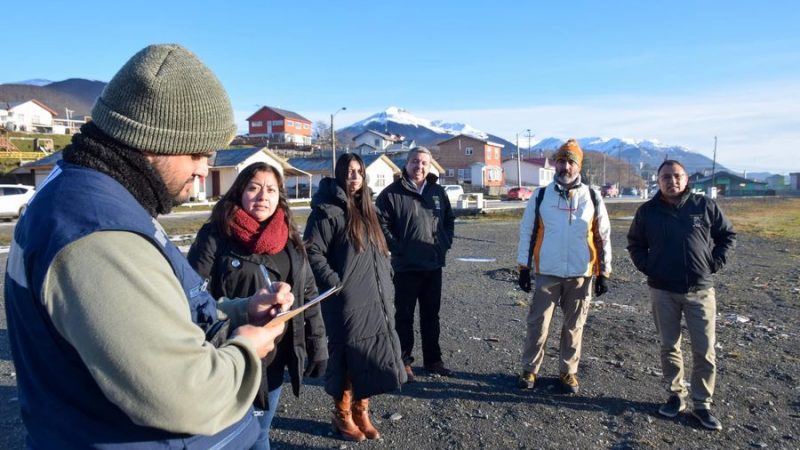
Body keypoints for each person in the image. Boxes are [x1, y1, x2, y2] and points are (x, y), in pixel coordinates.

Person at [4, 44, 292, 449]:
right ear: (149, 141)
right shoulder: (99, 238)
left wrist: (241, 311)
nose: (202, 170)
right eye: (196, 153)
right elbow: (187, 395)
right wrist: (246, 348)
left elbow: (151, 319)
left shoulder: (94, 201)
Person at [188, 162, 328, 450]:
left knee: (261, 431)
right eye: (253, 188)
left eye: (271, 189)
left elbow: (308, 292)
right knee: (228, 436)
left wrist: (317, 345)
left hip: (275, 354)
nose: (263, 196)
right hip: (229, 351)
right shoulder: (216, 235)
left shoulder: (288, 237)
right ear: (239, 192)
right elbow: (190, 295)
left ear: (279, 197)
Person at [627, 159, 735, 431]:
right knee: (669, 346)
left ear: (686, 179)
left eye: (677, 176)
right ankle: (676, 395)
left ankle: (702, 404)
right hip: (662, 290)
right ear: (658, 180)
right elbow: (635, 244)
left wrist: (715, 262)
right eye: (665, 176)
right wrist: (648, 266)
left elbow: (727, 235)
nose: (671, 181)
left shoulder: (704, 206)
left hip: (700, 290)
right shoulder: (648, 211)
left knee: (705, 350)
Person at [304, 153, 406, 441]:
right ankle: (342, 415)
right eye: (349, 171)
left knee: (370, 354)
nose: (354, 177)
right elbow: (312, 251)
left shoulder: (367, 209)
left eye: (359, 171)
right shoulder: (326, 211)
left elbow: (379, 253)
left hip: (375, 298)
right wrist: (336, 284)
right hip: (345, 300)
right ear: (339, 174)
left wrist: (387, 279)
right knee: (346, 358)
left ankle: (362, 410)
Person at [515, 139, 611, 394]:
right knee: (538, 324)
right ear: (555, 163)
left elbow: (602, 235)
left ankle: (568, 372)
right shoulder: (541, 196)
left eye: (571, 162)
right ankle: (530, 370)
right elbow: (528, 232)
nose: (565, 166)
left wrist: (603, 272)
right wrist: (523, 268)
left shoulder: (592, 196)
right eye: (561, 161)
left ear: (578, 166)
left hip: (581, 274)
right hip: (547, 272)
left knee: (574, 326)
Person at [375, 146, 456, 380]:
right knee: (404, 315)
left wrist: (444, 243)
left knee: (432, 315)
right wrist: (399, 248)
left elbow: (449, 220)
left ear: (429, 166)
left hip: (433, 264)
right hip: (406, 267)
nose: (419, 167)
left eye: (423, 163)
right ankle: (403, 361)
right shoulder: (391, 194)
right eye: (415, 162)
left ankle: (433, 360)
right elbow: (381, 225)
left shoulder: (437, 192)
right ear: (406, 164)